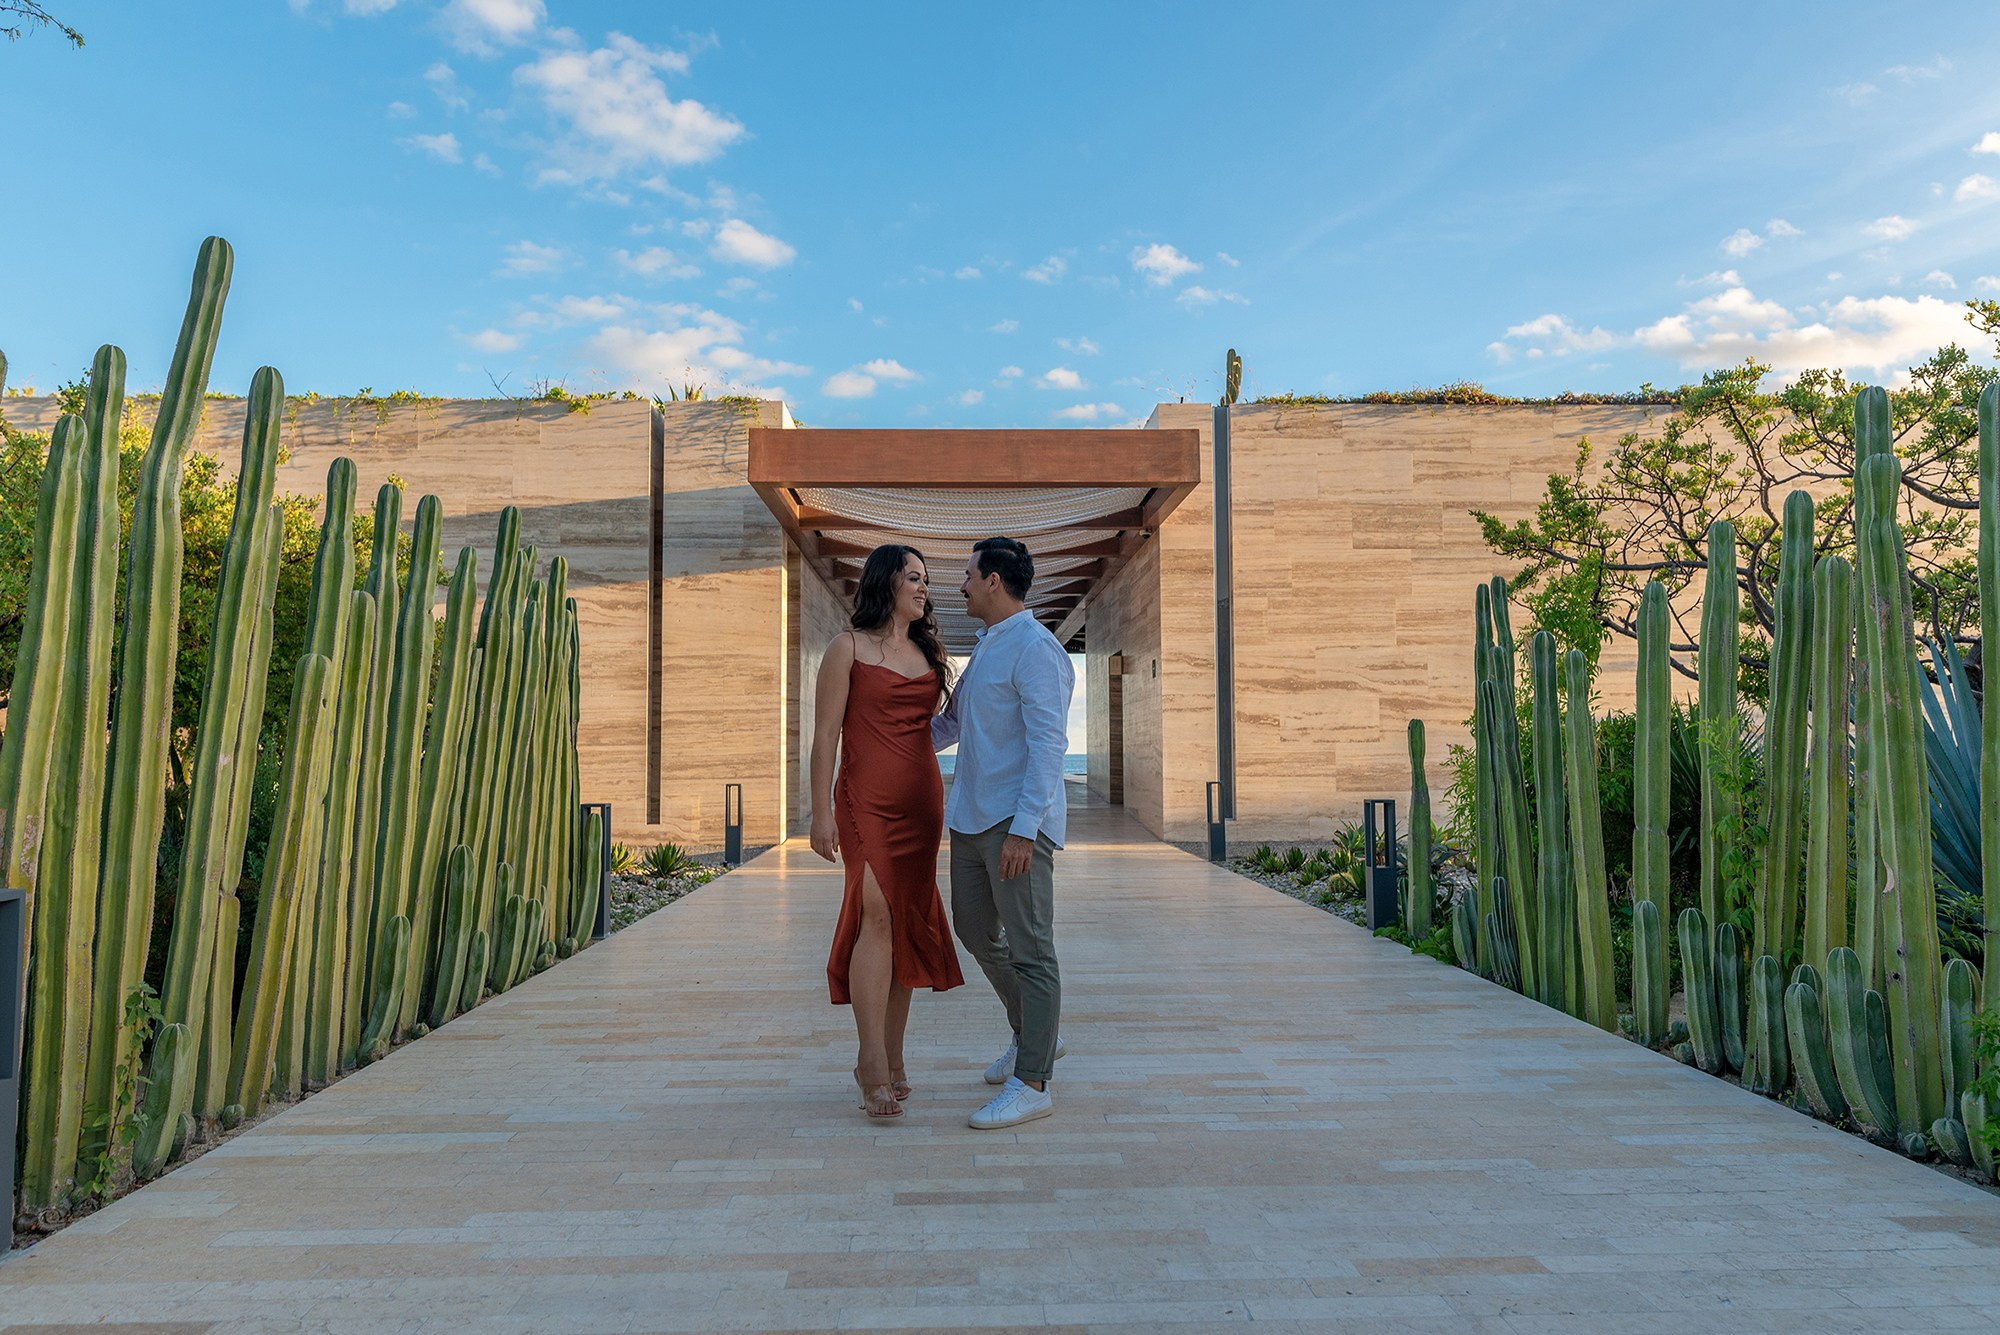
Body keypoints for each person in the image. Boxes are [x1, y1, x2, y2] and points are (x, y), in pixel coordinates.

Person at [811, 544, 965, 1119]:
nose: (924, 588)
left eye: (926, 580)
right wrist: (820, 812)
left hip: (921, 803)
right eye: (914, 578)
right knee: (874, 914)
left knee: (902, 922)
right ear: (886, 583)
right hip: (863, 802)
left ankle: (895, 1058)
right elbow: (825, 737)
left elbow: (943, 727)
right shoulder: (846, 648)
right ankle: (870, 1060)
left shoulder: (928, 652)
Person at [932, 536, 1075, 1130]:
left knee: (1031, 950)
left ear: (993, 580)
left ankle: (1033, 1082)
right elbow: (950, 727)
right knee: (972, 930)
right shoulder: (988, 645)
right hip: (968, 820)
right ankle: (1035, 1034)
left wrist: (1024, 830)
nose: (961, 584)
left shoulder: (1037, 649)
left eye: (968, 574)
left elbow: (1049, 745)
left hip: (1015, 827)